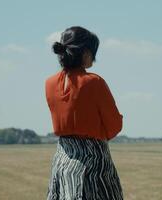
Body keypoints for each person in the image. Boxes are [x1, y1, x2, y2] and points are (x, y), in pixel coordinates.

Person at [45, 26, 124, 200]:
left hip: (62, 160)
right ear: (86, 53)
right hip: (93, 163)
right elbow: (114, 126)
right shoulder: (93, 82)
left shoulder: (49, 83)